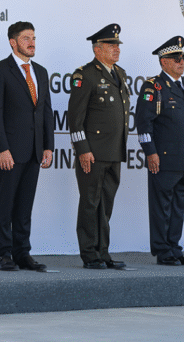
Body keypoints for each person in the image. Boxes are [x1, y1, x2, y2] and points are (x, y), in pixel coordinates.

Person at [0, 21, 54, 271]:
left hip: (35, 150)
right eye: (26, 38)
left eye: (34, 37)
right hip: (10, 151)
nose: (32, 42)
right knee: (6, 204)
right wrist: (2, 148)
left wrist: (48, 145)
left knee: (25, 205)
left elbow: (46, 111)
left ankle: (22, 252)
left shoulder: (42, 72)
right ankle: (3, 253)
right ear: (13, 42)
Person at [68, 23, 131, 269]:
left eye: (117, 45)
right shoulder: (86, 75)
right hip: (93, 153)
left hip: (114, 151)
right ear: (97, 49)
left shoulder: (120, 73)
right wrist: (83, 149)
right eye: (111, 45)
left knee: (106, 205)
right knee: (90, 203)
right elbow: (75, 117)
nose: (116, 49)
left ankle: (103, 252)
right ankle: (89, 254)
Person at [135, 36, 184, 266]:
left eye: (183, 57)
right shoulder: (154, 87)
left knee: (178, 208)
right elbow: (144, 124)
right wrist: (150, 152)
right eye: (176, 58)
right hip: (164, 160)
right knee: (161, 207)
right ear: (163, 62)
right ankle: (163, 250)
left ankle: (174, 247)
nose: (181, 62)